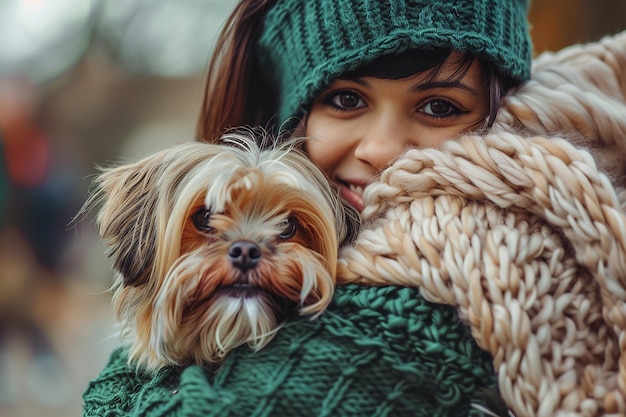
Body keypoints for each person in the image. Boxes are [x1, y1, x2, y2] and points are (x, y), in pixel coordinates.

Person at [82, 0, 626, 416]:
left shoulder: (463, 257)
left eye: (439, 106)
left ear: (499, 109)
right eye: (346, 100)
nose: (382, 149)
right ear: (295, 119)